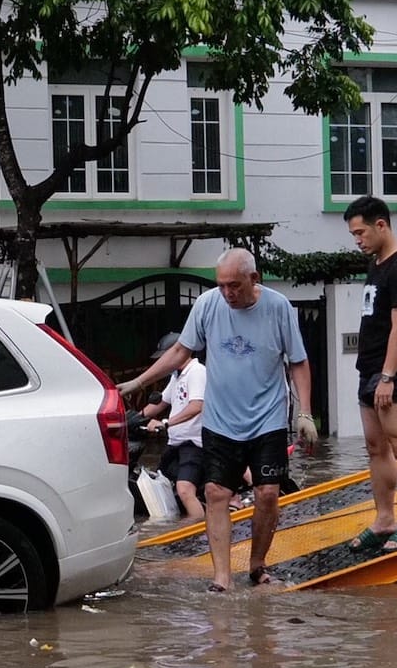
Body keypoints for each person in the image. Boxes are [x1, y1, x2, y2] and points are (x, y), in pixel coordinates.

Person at [126, 249, 316, 592]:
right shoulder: (207, 305)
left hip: (268, 418)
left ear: (254, 279)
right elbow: (180, 351)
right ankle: (222, 578)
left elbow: (298, 361)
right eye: (221, 285)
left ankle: (257, 565)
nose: (227, 293)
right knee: (215, 492)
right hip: (219, 420)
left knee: (268, 493)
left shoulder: (278, 308)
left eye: (234, 286)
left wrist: (305, 413)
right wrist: (139, 382)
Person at [343, 196, 397, 553]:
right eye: (354, 234)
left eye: (361, 232)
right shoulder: (377, 265)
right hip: (369, 368)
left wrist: (388, 376)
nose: (357, 240)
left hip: (393, 371)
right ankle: (384, 518)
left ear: (381, 225)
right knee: (376, 447)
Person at [136, 333, 208, 520]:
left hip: (193, 444)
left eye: (165, 357)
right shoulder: (177, 376)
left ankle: (198, 532)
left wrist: (166, 423)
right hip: (176, 444)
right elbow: (160, 402)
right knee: (162, 483)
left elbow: (196, 406)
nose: (163, 362)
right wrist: (134, 418)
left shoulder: (196, 371)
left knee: (184, 490)